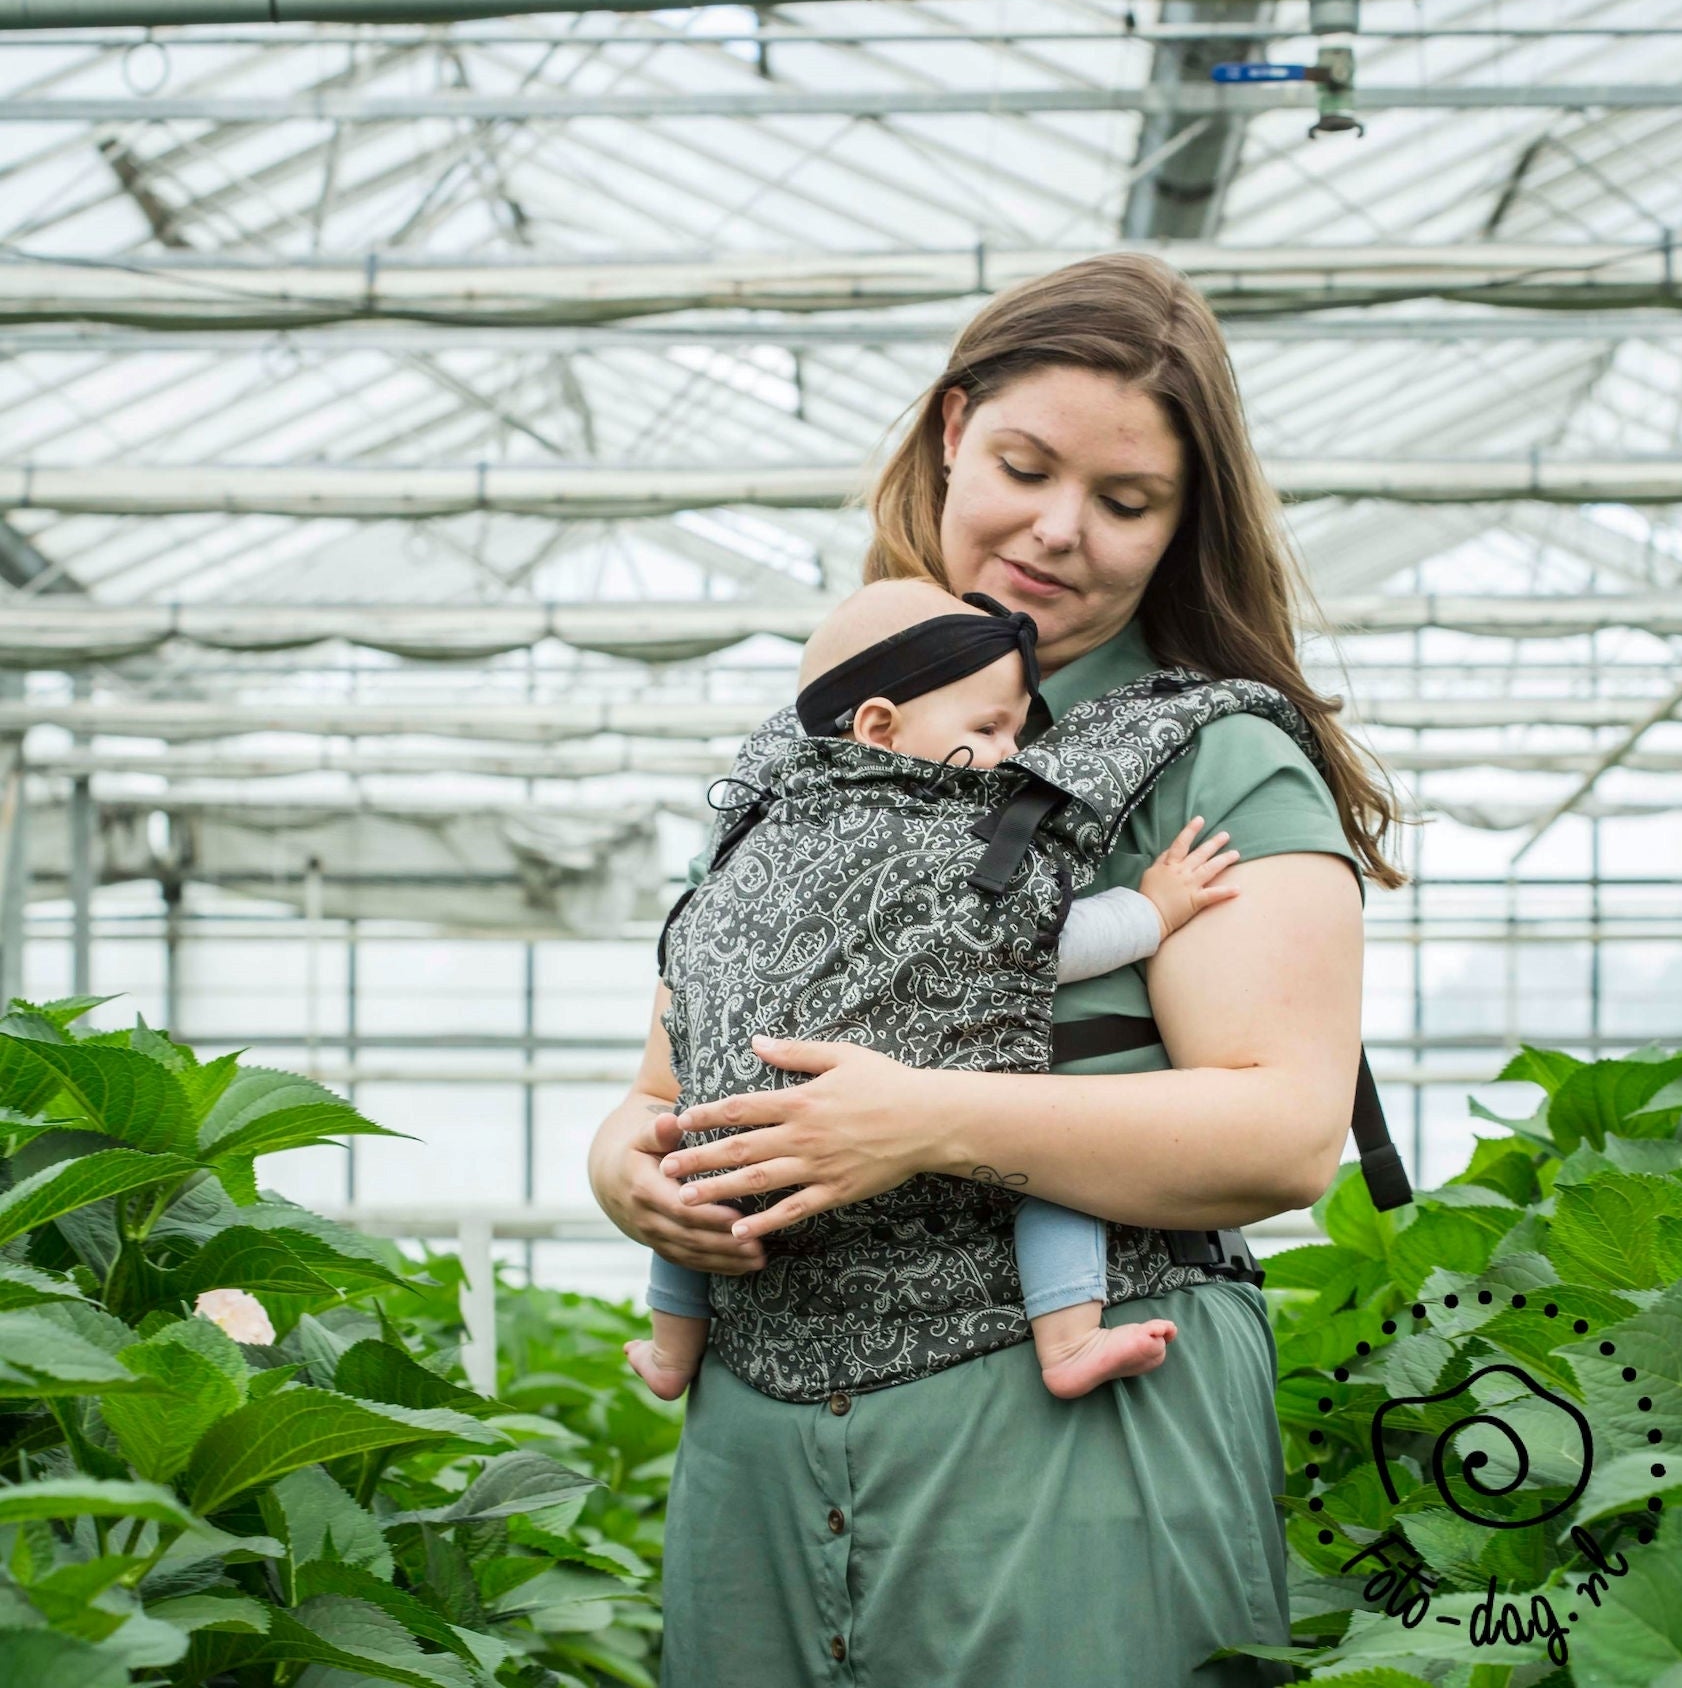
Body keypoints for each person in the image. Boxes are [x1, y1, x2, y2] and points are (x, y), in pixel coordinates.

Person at [589, 251, 1400, 1688]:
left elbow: (1282, 1130)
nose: (1056, 532)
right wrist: (630, 1175)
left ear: (1177, 529)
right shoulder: (816, 751)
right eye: (1024, 466)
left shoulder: (1209, 755)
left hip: (1072, 1442)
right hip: (762, 1457)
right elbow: (661, 1076)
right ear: (953, 429)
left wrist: (929, 1121)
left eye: (1125, 502)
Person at [625, 576, 1244, 1404]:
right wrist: (1155, 908)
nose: (1009, 755)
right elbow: (1025, 949)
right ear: (880, 727)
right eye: (987, 728)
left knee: (701, 1174)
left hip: (738, 1146)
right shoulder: (934, 836)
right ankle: (1067, 1340)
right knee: (1056, 1168)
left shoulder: (760, 832)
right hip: (875, 1135)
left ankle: (671, 1352)